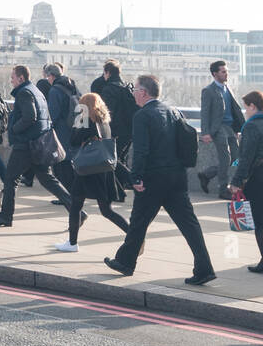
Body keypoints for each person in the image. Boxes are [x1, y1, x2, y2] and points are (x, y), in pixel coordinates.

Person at [104, 74, 216, 285]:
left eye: (135, 90)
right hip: (177, 177)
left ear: (144, 92)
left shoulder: (143, 115)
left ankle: (126, 263)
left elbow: (141, 151)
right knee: (189, 225)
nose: (133, 94)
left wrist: (135, 177)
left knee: (138, 221)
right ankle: (204, 267)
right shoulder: (173, 111)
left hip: (153, 178)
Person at [0, 65, 74, 227]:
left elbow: (30, 117)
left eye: (12, 77)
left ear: (20, 78)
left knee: (10, 179)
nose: (10, 80)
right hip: (37, 142)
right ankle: (77, 212)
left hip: (26, 144)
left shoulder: (24, 93)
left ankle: (6, 216)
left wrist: (14, 129)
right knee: (48, 179)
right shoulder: (35, 91)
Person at [56, 92, 130, 252]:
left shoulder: (84, 119)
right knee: (106, 210)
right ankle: (132, 234)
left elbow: (73, 140)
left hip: (87, 170)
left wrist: (78, 119)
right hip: (103, 170)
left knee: (76, 206)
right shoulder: (104, 121)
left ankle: (72, 243)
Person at [228, 91, 263, 274]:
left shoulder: (251, 127)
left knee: (259, 221)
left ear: (253, 106)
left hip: (260, 178)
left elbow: (246, 159)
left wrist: (236, 181)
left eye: (246, 108)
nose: (245, 112)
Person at [198, 59, 245, 199]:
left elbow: (233, 109)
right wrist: (205, 132)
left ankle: (207, 174)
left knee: (236, 158)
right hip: (217, 128)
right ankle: (223, 189)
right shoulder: (208, 90)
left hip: (230, 128)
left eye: (227, 71)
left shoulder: (227, 88)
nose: (226, 74)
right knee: (225, 158)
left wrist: (237, 129)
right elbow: (204, 112)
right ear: (215, 74)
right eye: (223, 71)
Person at [92, 60, 137, 197]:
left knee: (112, 160)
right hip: (128, 130)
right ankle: (119, 190)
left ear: (107, 73)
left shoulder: (109, 89)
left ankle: (135, 182)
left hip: (115, 131)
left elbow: (106, 113)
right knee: (118, 159)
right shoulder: (125, 86)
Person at [45, 63, 81, 199]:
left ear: (51, 76)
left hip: (61, 132)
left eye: (48, 77)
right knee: (69, 165)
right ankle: (73, 193)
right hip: (73, 129)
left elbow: (53, 114)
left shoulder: (55, 90)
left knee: (61, 165)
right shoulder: (72, 85)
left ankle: (66, 195)